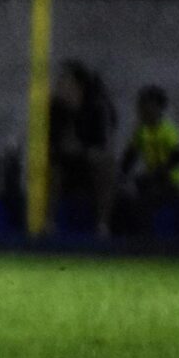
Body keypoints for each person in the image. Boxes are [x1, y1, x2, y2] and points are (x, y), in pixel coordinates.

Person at [49, 61, 116, 235]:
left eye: (65, 81)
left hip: (86, 164)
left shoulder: (96, 107)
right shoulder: (55, 110)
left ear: (78, 86)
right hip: (63, 163)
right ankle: (48, 223)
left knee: (106, 165)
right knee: (52, 170)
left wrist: (81, 149)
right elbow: (49, 144)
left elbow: (101, 144)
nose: (59, 85)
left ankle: (103, 225)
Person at [116, 84, 179, 237]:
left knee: (145, 202)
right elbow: (131, 155)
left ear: (159, 108)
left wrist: (157, 173)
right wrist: (121, 175)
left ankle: (148, 241)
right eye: (142, 106)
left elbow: (177, 159)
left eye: (149, 105)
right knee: (127, 196)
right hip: (151, 179)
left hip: (170, 182)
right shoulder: (142, 131)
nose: (145, 110)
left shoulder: (168, 130)